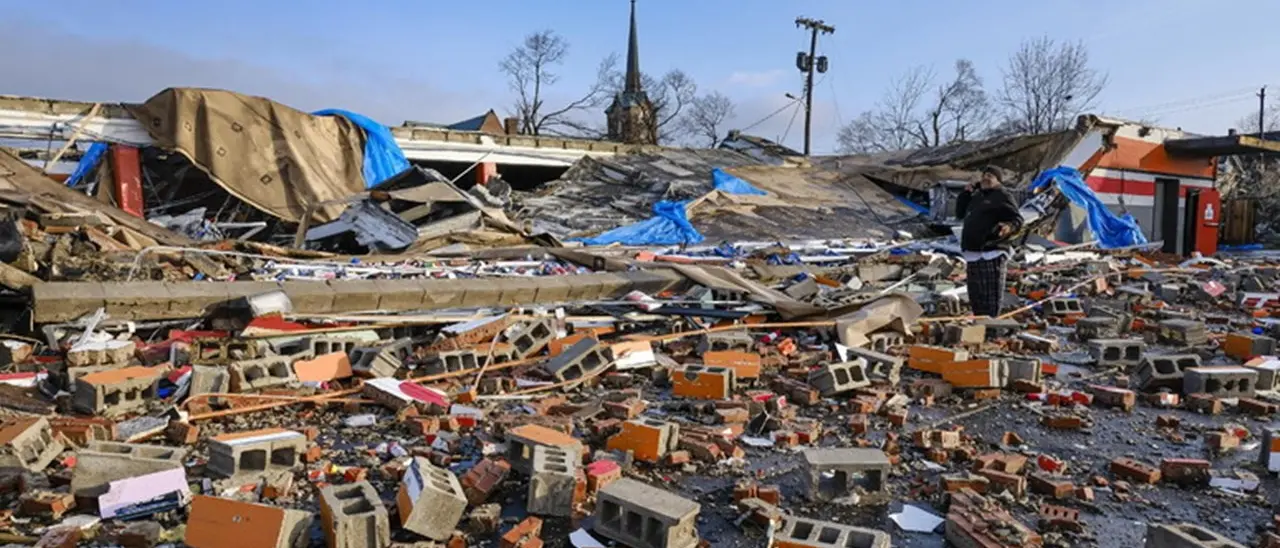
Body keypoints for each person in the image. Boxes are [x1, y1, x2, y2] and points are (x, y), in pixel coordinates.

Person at [955, 166, 1023, 317]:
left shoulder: (1002, 195)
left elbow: (1017, 219)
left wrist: (1008, 227)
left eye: (990, 176)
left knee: (990, 295)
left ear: (998, 180)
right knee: (976, 293)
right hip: (973, 251)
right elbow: (959, 213)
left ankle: (991, 325)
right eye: (984, 175)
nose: (985, 178)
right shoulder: (977, 196)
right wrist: (966, 193)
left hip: (992, 250)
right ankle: (979, 324)